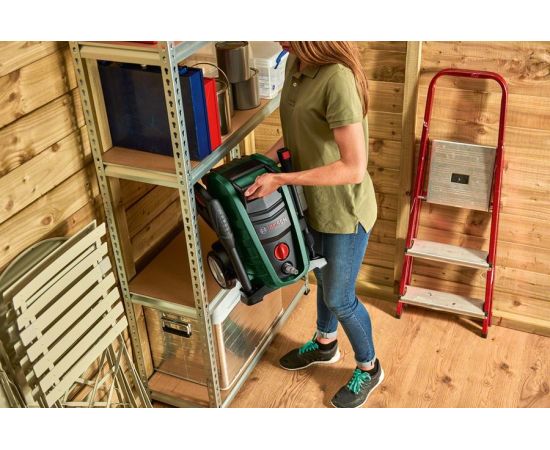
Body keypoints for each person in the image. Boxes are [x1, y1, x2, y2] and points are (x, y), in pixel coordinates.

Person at [244, 41, 383, 408]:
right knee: (321, 275)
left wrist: (280, 179)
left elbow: (354, 168)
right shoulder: (296, 62)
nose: (278, 38)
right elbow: (296, 135)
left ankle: (369, 367)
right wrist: (258, 165)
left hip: (343, 212)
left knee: (340, 297)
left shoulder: (337, 79)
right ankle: (325, 343)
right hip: (312, 204)